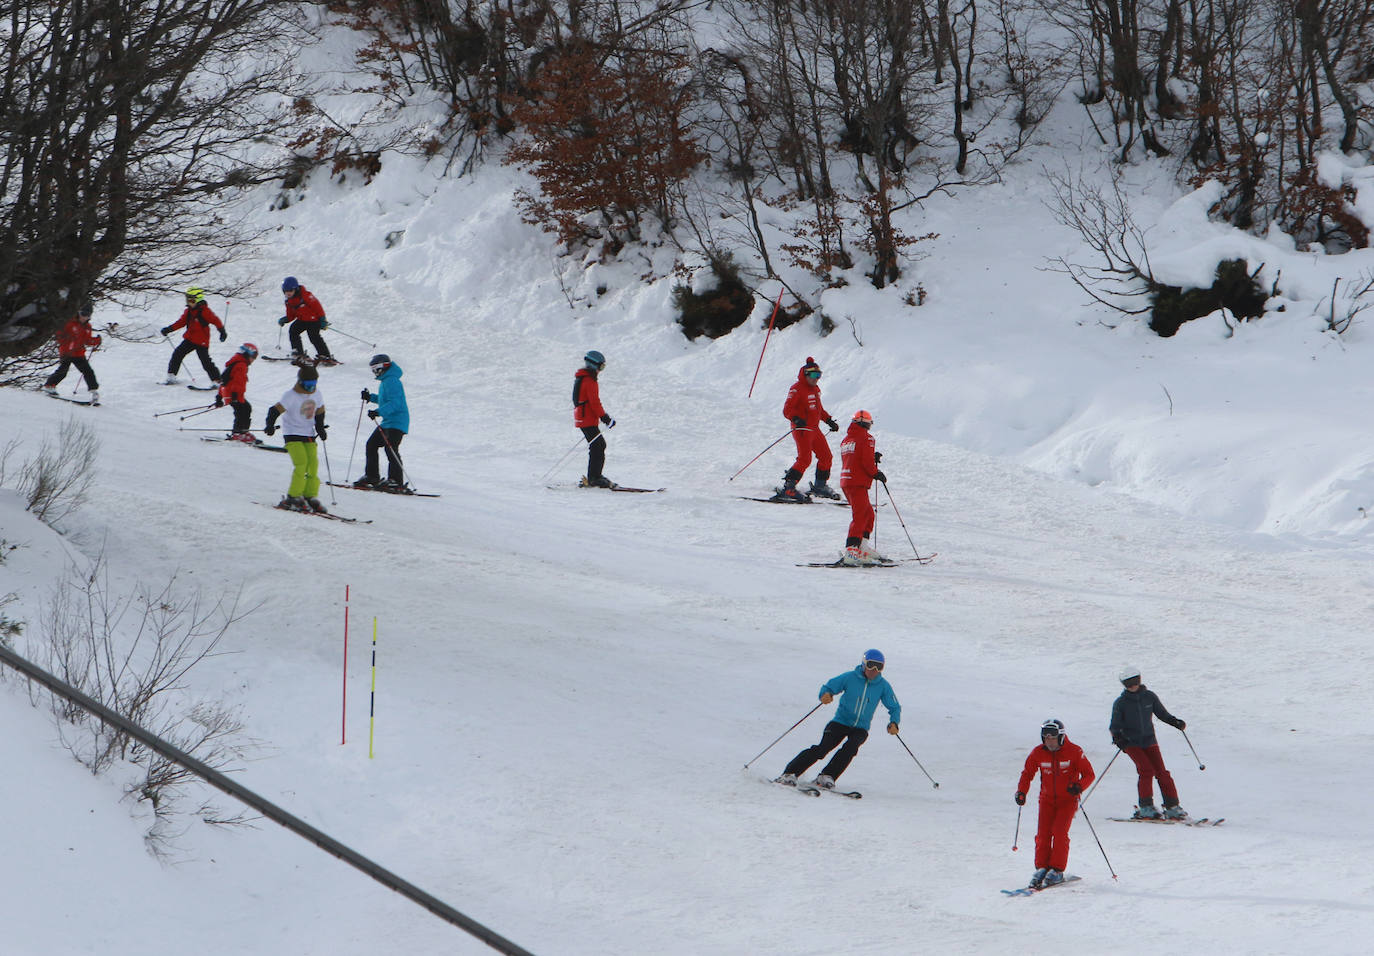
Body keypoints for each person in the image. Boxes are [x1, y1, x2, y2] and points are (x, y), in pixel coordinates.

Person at [777, 649, 900, 789]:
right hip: (840, 722)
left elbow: (895, 707)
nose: (874, 670)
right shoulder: (850, 677)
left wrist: (894, 722)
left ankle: (826, 776)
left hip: (861, 727)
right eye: (871, 665)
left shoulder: (883, 686)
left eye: (879, 667)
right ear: (864, 664)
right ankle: (789, 773)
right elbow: (829, 687)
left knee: (850, 748)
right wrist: (826, 694)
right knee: (823, 748)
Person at [1015, 718, 1096, 889]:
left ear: (1060, 737)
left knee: (1059, 833)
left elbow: (1089, 774)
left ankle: (1057, 870)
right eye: (1046, 738)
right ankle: (1042, 868)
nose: (1049, 742)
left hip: (1067, 800)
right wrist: (1021, 792)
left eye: (1053, 738)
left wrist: (1079, 786)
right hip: (1046, 800)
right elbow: (1027, 773)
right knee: (1043, 834)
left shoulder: (1074, 751)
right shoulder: (1038, 752)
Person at [1110, 667, 1188, 820]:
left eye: (1134, 681)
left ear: (1139, 680)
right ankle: (1146, 807)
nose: (1132, 686)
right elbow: (1114, 725)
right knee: (1146, 770)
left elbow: (1162, 714)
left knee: (1162, 772)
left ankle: (1172, 806)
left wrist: (1175, 722)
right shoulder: (1121, 703)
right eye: (1128, 683)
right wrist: (1119, 739)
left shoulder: (1149, 697)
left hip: (1149, 740)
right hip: (1131, 743)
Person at [263, 364, 328, 512]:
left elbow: (320, 412)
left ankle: (309, 495)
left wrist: (320, 428)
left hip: (308, 434)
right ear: (300, 382)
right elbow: (274, 410)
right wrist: (270, 425)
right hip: (292, 434)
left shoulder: (317, 394)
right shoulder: (291, 395)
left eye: (314, 383)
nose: (311, 387)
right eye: (308, 384)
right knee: (301, 464)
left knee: (313, 465)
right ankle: (293, 496)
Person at [776, 356, 839, 501]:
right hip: (802, 429)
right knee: (805, 459)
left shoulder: (815, 389)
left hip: (814, 429)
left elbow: (819, 409)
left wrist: (828, 420)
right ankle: (789, 488)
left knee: (826, 457)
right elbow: (787, 409)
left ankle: (820, 486)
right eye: (813, 375)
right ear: (805, 374)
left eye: (819, 375)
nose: (816, 378)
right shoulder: (797, 388)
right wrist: (796, 419)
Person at [354, 353, 410, 490]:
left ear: (383, 367)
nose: (374, 372)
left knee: (390, 447)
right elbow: (385, 399)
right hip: (389, 421)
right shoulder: (386, 381)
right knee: (371, 445)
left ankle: (396, 481)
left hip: (397, 421)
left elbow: (395, 403)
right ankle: (372, 477)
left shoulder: (392, 381)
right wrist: (370, 397)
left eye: (375, 369)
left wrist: (378, 412)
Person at [839, 410, 888, 565]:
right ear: (865, 423)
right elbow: (865, 462)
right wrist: (876, 473)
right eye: (869, 422)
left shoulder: (847, 439)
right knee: (860, 516)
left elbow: (856, 456)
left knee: (868, 514)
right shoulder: (866, 438)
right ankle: (852, 549)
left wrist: (871, 457)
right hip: (857, 482)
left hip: (847, 481)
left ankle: (862, 546)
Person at [161, 287, 224, 384]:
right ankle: (171, 376)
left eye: (192, 300)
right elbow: (181, 322)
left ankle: (217, 380)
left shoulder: (205, 312)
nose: (189, 302)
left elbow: (216, 320)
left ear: (198, 300)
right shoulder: (188, 312)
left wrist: (222, 331)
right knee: (177, 354)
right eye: (188, 300)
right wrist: (169, 329)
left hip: (202, 342)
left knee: (206, 362)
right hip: (190, 339)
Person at [42, 301, 101, 404]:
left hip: (79, 353)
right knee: (63, 371)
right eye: (83, 314)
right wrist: (68, 341)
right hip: (67, 352)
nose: (85, 317)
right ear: (79, 313)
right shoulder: (69, 323)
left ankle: (93, 391)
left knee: (88, 371)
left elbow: (87, 340)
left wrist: (96, 341)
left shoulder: (87, 327)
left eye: (87, 315)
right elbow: (59, 335)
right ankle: (49, 386)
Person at [572, 349, 616, 488]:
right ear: (594, 365)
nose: (601, 370)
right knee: (598, 445)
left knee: (597, 445)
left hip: (584, 418)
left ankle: (594, 476)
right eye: (601, 367)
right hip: (586, 418)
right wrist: (605, 418)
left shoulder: (584, 378)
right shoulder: (589, 381)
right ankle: (594, 478)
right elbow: (594, 402)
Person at [276, 276, 335, 365]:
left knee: (314, 336)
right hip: (302, 320)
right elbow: (291, 315)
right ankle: (298, 352)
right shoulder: (289, 301)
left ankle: (325, 355)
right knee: (293, 330)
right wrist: (286, 319)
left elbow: (318, 307)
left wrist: (322, 320)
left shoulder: (306, 296)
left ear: (295, 289)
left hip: (313, 320)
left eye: (290, 291)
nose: (288, 293)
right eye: (286, 291)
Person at [216, 343, 259, 442]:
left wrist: (219, 397)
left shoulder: (236, 362)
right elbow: (237, 381)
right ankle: (238, 433)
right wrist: (234, 395)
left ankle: (243, 432)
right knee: (241, 411)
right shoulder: (241, 365)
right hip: (234, 394)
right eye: (253, 356)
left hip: (233, 394)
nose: (253, 360)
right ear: (246, 354)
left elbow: (224, 380)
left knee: (246, 408)